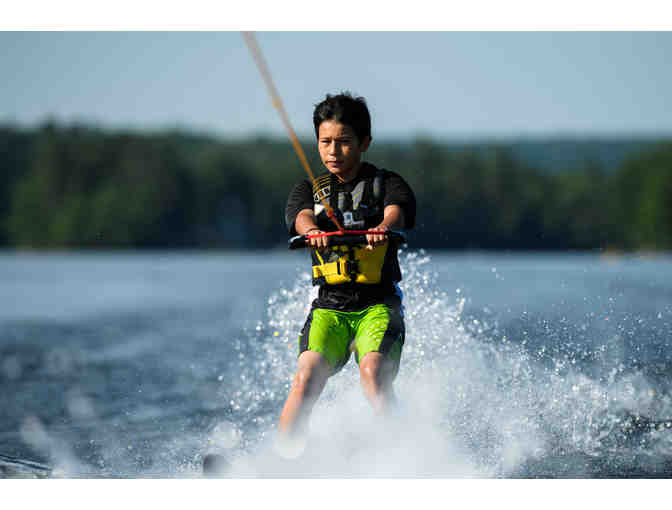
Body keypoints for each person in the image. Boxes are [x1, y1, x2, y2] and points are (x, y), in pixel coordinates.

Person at [277, 92, 416, 453]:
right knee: (306, 376)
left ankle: (410, 454)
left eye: (343, 142)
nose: (333, 151)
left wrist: (382, 226)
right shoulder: (308, 189)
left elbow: (398, 209)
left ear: (364, 142)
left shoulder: (386, 183)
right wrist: (312, 230)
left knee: (373, 374)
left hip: (378, 307)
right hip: (329, 307)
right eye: (325, 142)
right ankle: (282, 461)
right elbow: (299, 216)